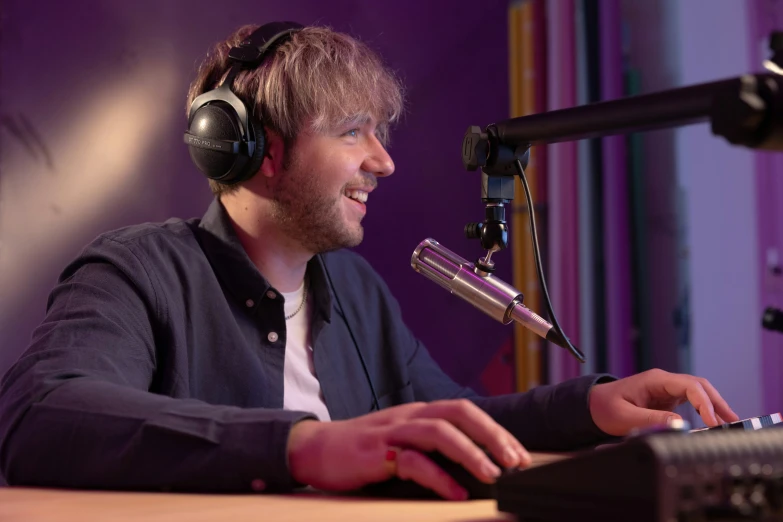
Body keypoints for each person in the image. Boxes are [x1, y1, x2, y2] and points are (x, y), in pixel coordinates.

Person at [0, 22, 738, 500]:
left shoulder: (352, 287)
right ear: (250, 145)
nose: (382, 162)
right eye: (353, 131)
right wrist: (306, 447)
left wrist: (590, 408)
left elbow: (456, 419)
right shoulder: (138, 270)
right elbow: (40, 415)